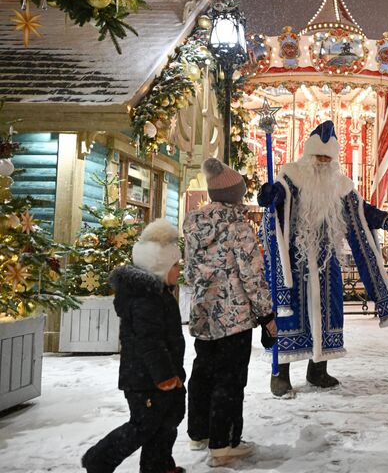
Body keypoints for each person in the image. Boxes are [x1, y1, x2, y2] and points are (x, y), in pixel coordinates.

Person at [257, 121, 388, 397]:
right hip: (294, 261)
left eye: (328, 158)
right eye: (318, 157)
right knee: (288, 318)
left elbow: (365, 213)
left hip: (326, 262)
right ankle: (281, 373)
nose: (323, 162)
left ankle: (318, 369)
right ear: (308, 155)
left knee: (327, 312)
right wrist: (270, 195)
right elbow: (278, 201)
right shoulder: (291, 178)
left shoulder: (341, 186)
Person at [183, 158, 276, 467]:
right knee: (230, 378)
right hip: (234, 316)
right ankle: (224, 444)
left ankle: (200, 431)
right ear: (235, 194)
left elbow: (189, 272)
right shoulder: (239, 227)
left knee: (203, 372)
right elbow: (252, 276)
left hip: (203, 311)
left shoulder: (193, 224)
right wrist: (266, 316)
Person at [81, 220, 186, 473]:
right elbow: (149, 341)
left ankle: (157, 465)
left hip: (160, 373)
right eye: (175, 266)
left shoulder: (159, 293)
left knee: (166, 421)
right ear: (161, 267)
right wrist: (164, 377)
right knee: (144, 424)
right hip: (146, 378)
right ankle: (100, 459)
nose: (179, 271)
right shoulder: (146, 299)